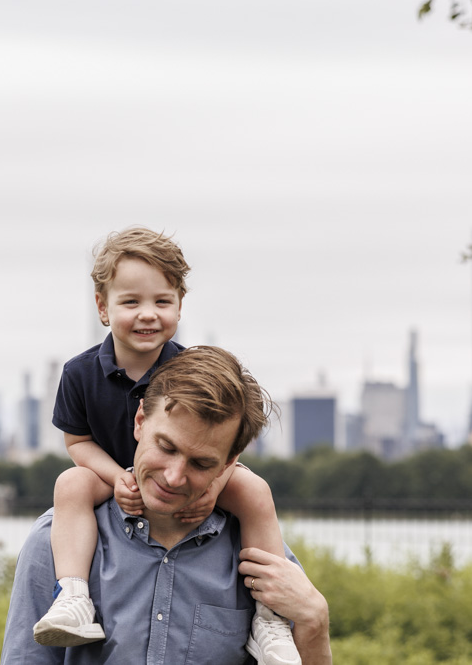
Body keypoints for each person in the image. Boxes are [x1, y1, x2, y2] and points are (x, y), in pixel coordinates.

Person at [34, 228, 298, 663]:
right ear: (102, 307)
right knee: (70, 484)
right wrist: (116, 477)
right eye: (130, 302)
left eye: (162, 301)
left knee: (253, 490)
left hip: (189, 479)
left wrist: (212, 488)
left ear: (179, 304)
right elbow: (77, 441)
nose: (148, 315)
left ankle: (270, 618)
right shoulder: (79, 373)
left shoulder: (191, 371)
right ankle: (74, 595)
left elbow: (226, 444)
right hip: (113, 474)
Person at [3, 346, 332, 664]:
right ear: (140, 420)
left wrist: (314, 619)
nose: (174, 477)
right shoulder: (54, 541)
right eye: (166, 447)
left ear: (229, 463)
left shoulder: (259, 553)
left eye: (201, 463)